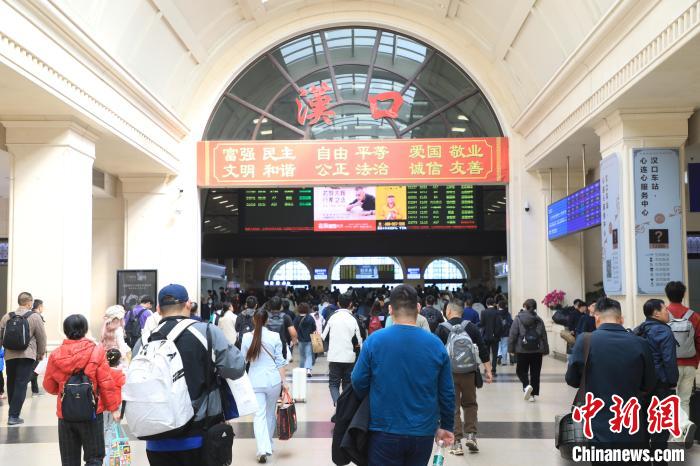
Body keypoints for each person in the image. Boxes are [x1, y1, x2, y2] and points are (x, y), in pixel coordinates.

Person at [131, 284, 246, 466]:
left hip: (156, 438)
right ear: (189, 305)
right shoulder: (207, 332)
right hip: (199, 435)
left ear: (158, 309)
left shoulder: (144, 341)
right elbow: (236, 368)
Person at [352, 285, 455, 465]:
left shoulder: (374, 341)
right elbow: (447, 391)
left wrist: (374, 398)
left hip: (383, 427)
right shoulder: (435, 344)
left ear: (390, 309)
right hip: (422, 431)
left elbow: (358, 380)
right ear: (418, 307)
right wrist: (446, 425)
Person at [566, 297, 656, 461]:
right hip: (631, 424)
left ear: (597, 318)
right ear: (621, 319)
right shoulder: (640, 343)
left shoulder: (585, 341)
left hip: (596, 425)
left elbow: (572, 380)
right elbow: (649, 384)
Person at [43, 314, 122, 466]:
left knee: (69, 460)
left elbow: (49, 385)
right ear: (85, 330)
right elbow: (106, 382)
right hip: (92, 411)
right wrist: (113, 409)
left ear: (65, 331)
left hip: (65, 413)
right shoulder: (96, 351)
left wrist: (64, 390)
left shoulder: (56, 354)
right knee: (94, 458)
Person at [436, 299, 492, 455]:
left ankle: (457, 443)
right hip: (469, 373)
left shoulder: (442, 328)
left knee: (453, 407)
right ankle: (472, 436)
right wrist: (488, 370)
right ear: (461, 312)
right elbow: (482, 349)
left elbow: (435, 353)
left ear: (448, 311)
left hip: (449, 375)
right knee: (470, 404)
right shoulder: (471, 327)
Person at [634, 299, 678, 464]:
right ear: (656, 313)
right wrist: (672, 381)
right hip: (661, 386)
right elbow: (669, 360)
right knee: (660, 427)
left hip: (641, 386)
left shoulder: (639, 329)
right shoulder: (664, 331)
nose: (668, 312)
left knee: (643, 425)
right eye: (665, 309)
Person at [241, 309, 288, 463]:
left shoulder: (246, 337)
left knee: (259, 415)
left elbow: (243, 360)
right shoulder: (274, 336)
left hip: (255, 380)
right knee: (270, 413)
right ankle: (268, 444)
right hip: (273, 380)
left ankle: (263, 448)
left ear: (254, 320)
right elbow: (280, 361)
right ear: (267, 320)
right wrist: (284, 382)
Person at [0, 291, 47, 425]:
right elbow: (41, 337)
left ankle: (13, 412)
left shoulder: (7, 316)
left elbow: (1, 335)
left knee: (11, 382)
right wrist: (41, 353)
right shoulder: (35, 317)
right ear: (29, 302)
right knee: (21, 384)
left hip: (10, 355)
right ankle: (13, 416)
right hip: (27, 355)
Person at [665, 281, 700, 430]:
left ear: (667, 295)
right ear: (683, 294)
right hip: (690, 364)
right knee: (685, 400)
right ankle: (684, 433)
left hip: (670, 365)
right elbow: (699, 340)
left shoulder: (663, 314)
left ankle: (673, 435)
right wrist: (695, 361)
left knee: (670, 401)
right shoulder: (694, 316)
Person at [322, 292, 363, 405]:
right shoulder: (354, 319)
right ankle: (344, 406)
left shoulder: (331, 317)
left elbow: (323, 337)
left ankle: (337, 404)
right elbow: (360, 340)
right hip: (350, 357)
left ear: (338, 303)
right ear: (350, 304)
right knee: (347, 383)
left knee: (333, 384)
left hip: (334, 356)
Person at [508, 299, 549, 402]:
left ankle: (526, 386)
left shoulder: (518, 319)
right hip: (537, 350)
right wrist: (545, 350)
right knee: (535, 373)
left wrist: (511, 349)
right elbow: (544, 335)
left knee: (521, 371)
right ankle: (532, 395)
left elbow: (513, 335)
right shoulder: (539, 320)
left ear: (525, 306)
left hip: (522, 350)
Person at [478, 298, 503, 378]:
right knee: (495, 354)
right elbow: (499, 325)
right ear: (494, 304)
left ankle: (487, 369)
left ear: (486, 304)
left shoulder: (483, 312)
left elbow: (482, 324)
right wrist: (496, 334)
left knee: (487, 354)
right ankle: (493, 370)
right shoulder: (497, 312)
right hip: (495, 337)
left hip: (486, 336)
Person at [294, 303, 316, 377]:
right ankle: (308, 370)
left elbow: (294, 328)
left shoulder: (297, 318)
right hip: (309, 339)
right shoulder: (310, 318)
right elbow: (314, 328)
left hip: (300, 340)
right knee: (309, 355)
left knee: (302, 356)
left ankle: (302, 370)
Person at [30, 299, 46, 396]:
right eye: (43, 306)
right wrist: (42, 351)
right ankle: (22, 384)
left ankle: (35, 391)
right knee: (35, 371)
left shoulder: (29, 315)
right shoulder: (37, 317)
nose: (43, 308)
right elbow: (41, 336)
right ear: (39, 307)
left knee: (35, 369)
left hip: (31, 348)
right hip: (35, 349)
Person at [496, 299, 513, 366]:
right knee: (505, 346)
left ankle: (499, 355)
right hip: (506, 332)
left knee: (498, 345)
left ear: (499, 305)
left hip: (497, 332)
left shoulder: (496, 313)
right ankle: (504, 361)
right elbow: (510, 322)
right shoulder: (507, 313)